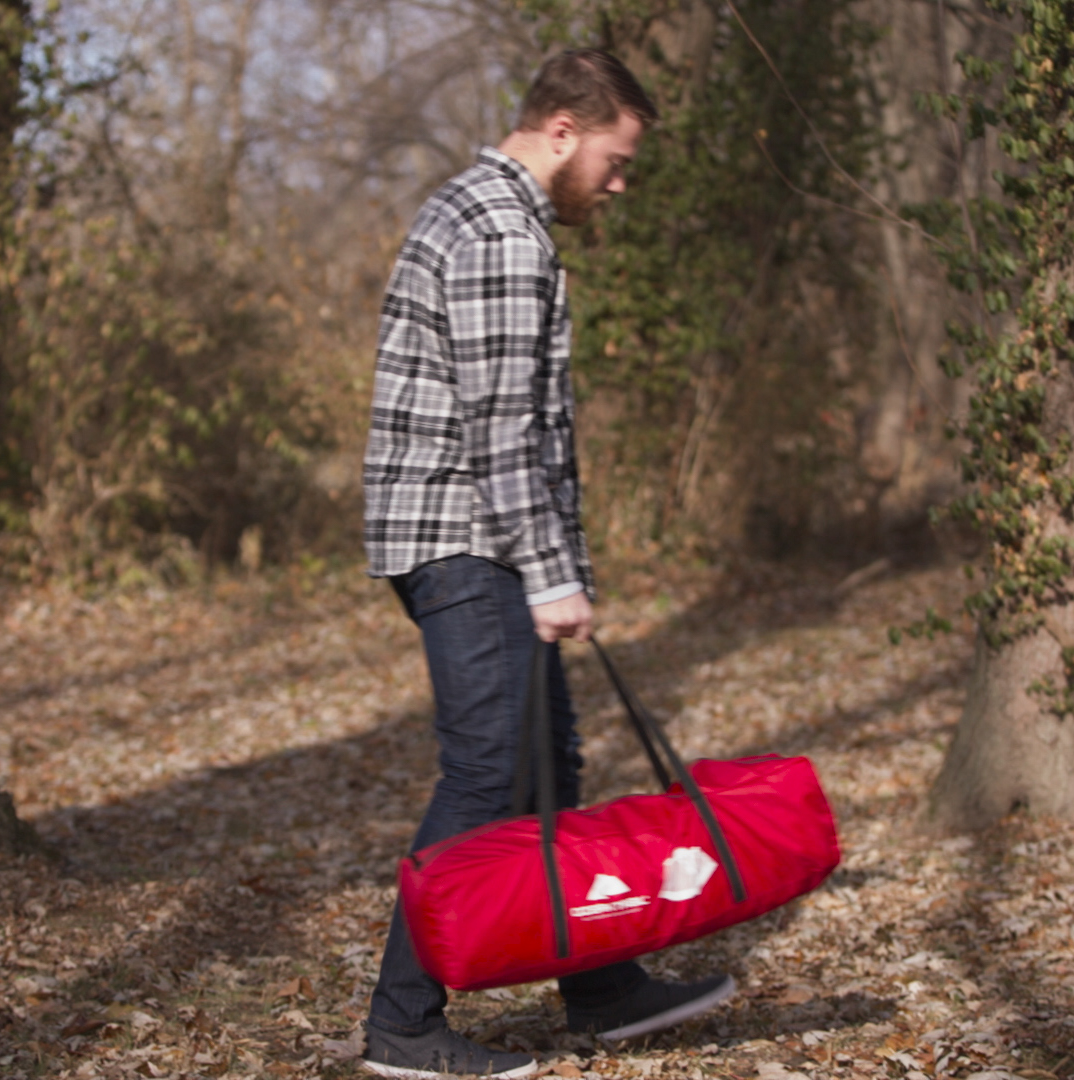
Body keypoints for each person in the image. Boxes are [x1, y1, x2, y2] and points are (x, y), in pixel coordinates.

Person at [360, 48, 735, 1080]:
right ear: (563, 130)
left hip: (483, 541)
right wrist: (552, 570)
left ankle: (603, 986)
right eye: (616, 159)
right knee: (488, 773)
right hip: (467, 541)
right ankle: (401, 1021)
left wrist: (553, 566)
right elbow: (502, 434)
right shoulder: (497, 234)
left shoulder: (493, 215)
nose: (618, 184)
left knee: (548, 768)